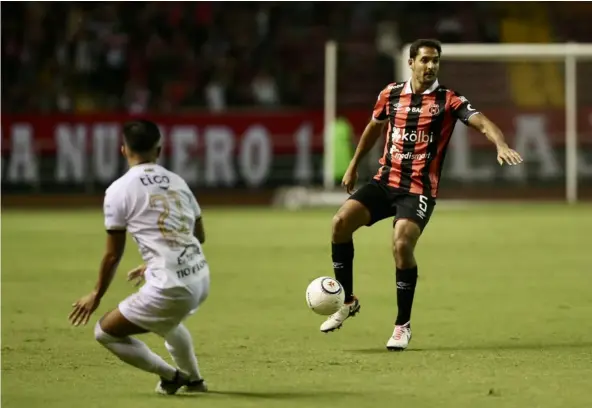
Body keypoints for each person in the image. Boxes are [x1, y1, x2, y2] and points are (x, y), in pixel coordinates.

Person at [321, 39, 524, 350]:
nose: (431, 66)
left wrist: (501, 144)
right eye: (425, 60)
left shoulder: (448, 100)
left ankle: (402, 325)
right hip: (384, 181)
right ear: (411, 63)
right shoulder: (390, 94)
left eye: (435, 61)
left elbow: (483, 123)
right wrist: (353, 164)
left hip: (418, 190)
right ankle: (347, 300)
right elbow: (373, 128)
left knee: (401, 244)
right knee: (339, 224)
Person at [69, 120, 211, 394]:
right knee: (167, 322)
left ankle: (171, 376)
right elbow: (198, 235)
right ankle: (194, 381)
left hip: (171, 286)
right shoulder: (177, 181)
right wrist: (156, 260)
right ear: (159, 149)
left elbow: (113, 254)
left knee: (105, 332)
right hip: (199, 276)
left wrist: (96, 295)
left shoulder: (118, 190)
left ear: (123, 150)